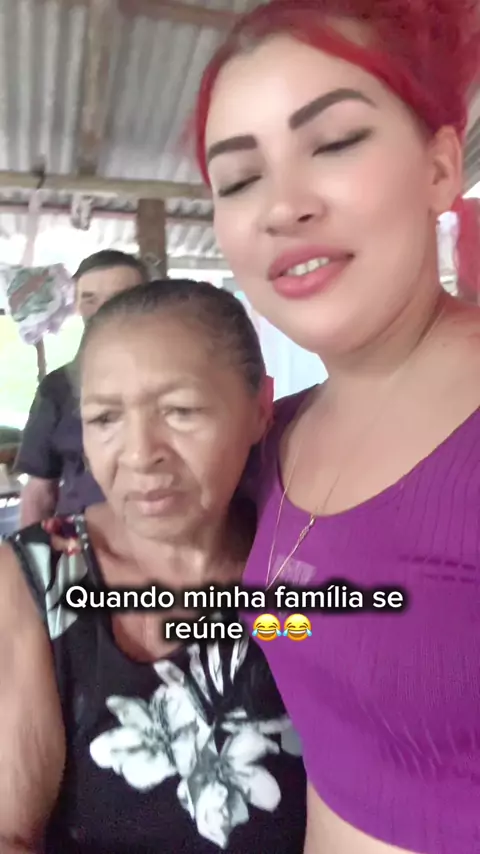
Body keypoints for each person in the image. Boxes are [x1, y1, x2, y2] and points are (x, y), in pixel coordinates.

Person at [192, 1, 480, 853]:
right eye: (238, 179)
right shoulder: (273, 438)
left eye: (336, 141)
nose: (282, 206)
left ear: (440, 167)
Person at [0, 279, 306, 854]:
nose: (140, 455)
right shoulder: (35, 578)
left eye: (180, 411)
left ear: (261, 408)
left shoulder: (307, 561)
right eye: (105, 419)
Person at [15, 249, 148, 526]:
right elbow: (39, 491)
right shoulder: (58, 388)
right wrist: (29, 549)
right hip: (82, 542)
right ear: (77, 305)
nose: (103, 309)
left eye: (120, 297)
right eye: (90, 299)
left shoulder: (190, 379)